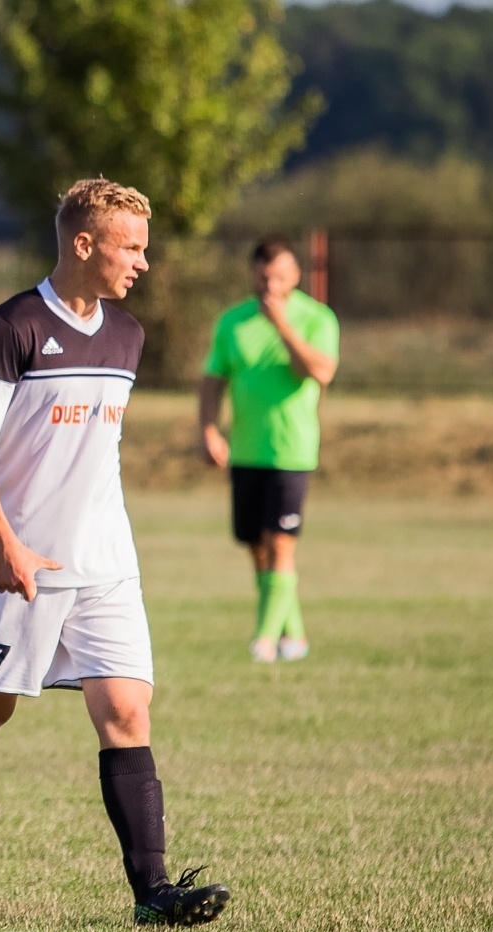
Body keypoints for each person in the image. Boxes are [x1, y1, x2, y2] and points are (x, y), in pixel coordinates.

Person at [0, 178, 231, 928]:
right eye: (131, 247)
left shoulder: (127, 335)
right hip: (20, 563)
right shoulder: (14, 326)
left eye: (145, 248)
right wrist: (5, 544)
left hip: (104, 560)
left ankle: (153, 892)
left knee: (128, 708)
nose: (143, 263)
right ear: (84, 243)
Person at [198, 236, 340, 663]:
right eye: (264, 276)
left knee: (280, 542)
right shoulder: (233, 322)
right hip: (245, 451)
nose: (271, 285)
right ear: (253, 274)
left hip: (292, 452)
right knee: (257, 545)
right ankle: (292, 634)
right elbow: (213, 378)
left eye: (280, 276)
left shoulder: (316, 318)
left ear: (296, 276)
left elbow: (320, 371)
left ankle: (263, 639)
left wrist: (282, 325)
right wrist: (208, 429)